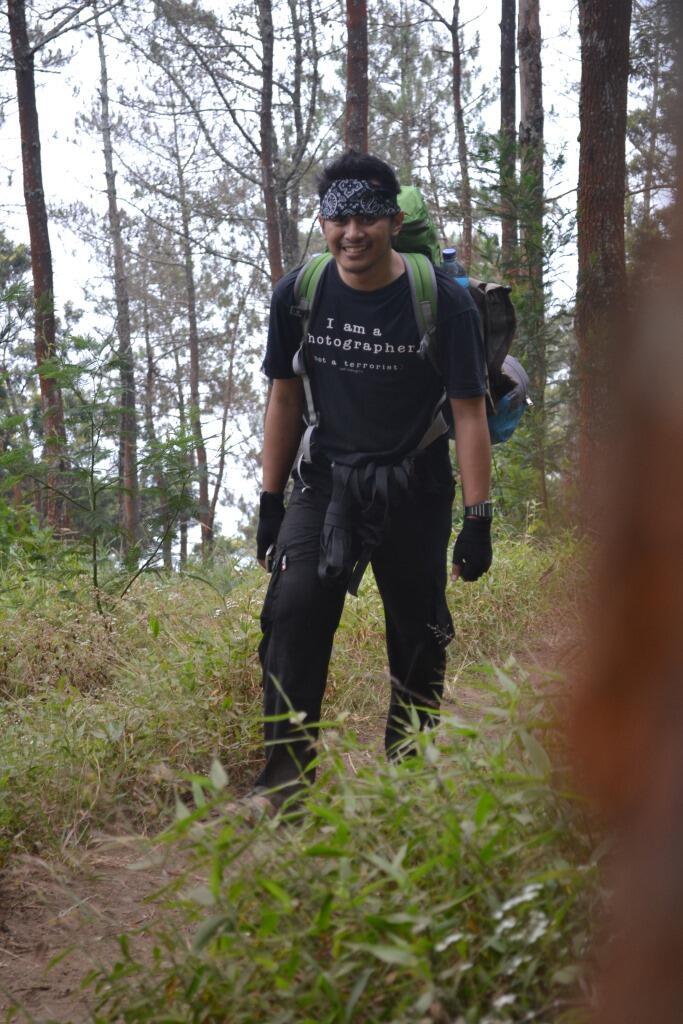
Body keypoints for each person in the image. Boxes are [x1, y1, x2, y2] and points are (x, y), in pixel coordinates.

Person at [254, 151, 492, 809]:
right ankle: (284, 788)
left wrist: (478, 518)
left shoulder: (441, 303)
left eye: (365, 217)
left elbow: (468, 414)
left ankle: (407, 777)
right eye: (337, 218)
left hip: (415, 483)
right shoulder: (299, 294)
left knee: (417, 632)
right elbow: (283, 398)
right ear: (322, 222)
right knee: (292, 614)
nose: (351, 233)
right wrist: (269, 500)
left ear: (391, 219)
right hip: (325, 481)